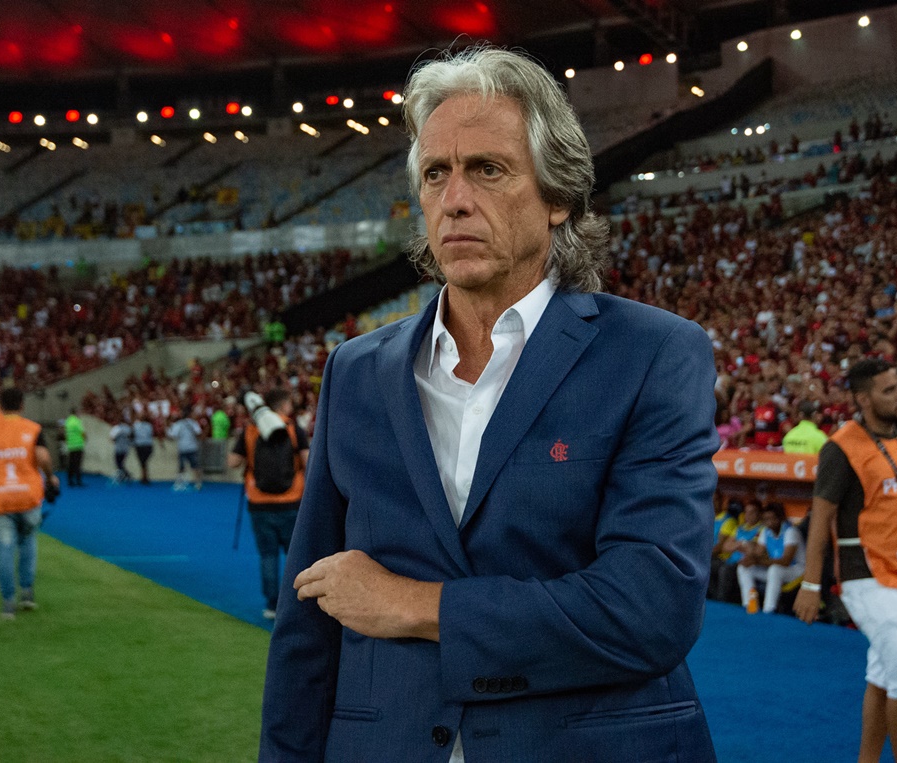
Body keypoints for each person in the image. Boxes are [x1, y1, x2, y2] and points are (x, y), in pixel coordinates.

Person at [260, 46, 719, 762]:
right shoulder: (355, 371)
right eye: (436, 173)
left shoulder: (655, 354)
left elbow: (649, 608)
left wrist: (415, 605)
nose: (456, 198)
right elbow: (307, 622)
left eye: (488, 169)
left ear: (558, 195)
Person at [794, 357, 897, 763]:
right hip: (870, 578)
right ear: (863, 399)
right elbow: (820, 518)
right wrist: (812, 584)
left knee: (882, 677)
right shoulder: (841, 448)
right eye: (889, 390)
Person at [0, 387, 59, 619]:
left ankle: (8, 603)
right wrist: (50, 476)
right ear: (22, 406)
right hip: (27, 497)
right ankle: (27, 592)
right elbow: (43, 457)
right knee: (27, 542)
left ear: (0, 406)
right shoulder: (32, 428)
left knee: (3, 550)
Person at [228, 388, 309, 620]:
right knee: (295, 554)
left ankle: (272, 605)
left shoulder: (251, 430)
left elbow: (233, 461)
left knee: (268, 555)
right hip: (291, 501)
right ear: (283, 405)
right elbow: (307, 462)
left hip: (259, 503)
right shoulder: (293, 428)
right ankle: (299, 602)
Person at [736, 501, 806, 613]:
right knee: (744, 568)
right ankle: (750, 605)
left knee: (775, 570)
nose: (769, 522)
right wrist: (749, 557)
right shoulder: (766, 532)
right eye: (766, 519)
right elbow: (758, 553)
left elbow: (786, 561)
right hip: (778, 569)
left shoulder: (791, 532)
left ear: (781, 518)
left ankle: (769, 610)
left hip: (797, 570)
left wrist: (757, 560)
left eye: (772, 519)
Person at [168, 406, 203, 491]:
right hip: (192, 447)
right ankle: (198, 483)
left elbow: (172, 435)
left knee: (181, 467)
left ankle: (180, 483)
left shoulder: (178, 424)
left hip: (183, 448)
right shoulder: (193, 423)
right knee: (195, 466)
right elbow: (199, 433)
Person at [64, 407, 86, 487]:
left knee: (71, 463)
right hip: (78, 445)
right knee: (78, 464)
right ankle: (78, 480)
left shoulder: (68, 421)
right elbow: (82, 432)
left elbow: (66, 433)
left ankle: (70, 480)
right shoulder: (77, 421)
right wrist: (85, 438)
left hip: (70, 445)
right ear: (75, 412)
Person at [109, 413, 133, 484]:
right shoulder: (128, 428)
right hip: (126, 448)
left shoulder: (116, 428)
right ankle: (124, 475)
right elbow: (131, 437)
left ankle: (125, 475)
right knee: (122, 462)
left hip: (118, 448)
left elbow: (112, 438)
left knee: (118, 463)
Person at [132, 414, 155, 485]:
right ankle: (144, 476)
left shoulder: (136, 425)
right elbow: (151, 434)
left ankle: (144, 476)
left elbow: (133, 434)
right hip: (147, 445)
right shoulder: (149, 426)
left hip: (140, 445)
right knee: (144, 462)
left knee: (142, 462)